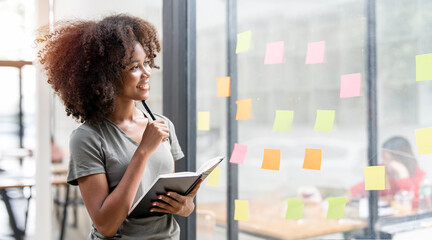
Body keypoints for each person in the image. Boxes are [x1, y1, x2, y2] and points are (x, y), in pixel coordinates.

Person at [36, 14, 202, 239]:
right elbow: (106, 225)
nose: (147, 72)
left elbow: (175, 202)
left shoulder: (162, 125)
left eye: (146, 63)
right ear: (106, 76)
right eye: (135, 66)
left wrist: (184, 205)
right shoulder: (87, 138)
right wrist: (143, 151)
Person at [350, 136, 426, 208]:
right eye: (384, 158)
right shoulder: (381, 169)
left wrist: (403, 175)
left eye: (390, 159)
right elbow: (355, 193)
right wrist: (388, 199)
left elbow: (416, 202)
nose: (385, 162)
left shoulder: (419, 174)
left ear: (402, 159)